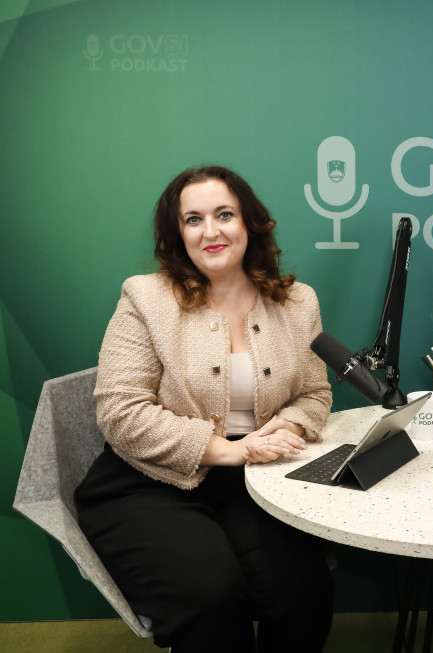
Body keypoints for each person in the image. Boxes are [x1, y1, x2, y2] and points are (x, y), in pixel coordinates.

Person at [74, 166, 335, 652]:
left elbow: (315, 394)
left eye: (224, 215)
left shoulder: (298, 303)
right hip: (147, 482)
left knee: (304, 593)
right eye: (193, 219)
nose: (210, 231)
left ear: (249, 223)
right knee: (210, 596)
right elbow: (120, 412)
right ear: (178, 233)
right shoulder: (145, 298)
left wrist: (291, 425)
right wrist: (228, 450)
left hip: (253, 484)